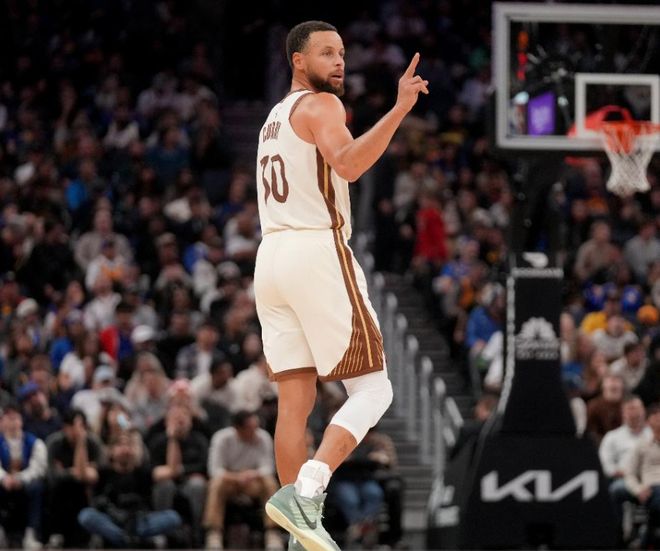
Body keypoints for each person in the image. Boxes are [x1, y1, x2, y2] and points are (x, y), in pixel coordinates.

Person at [255, 20, 427, 551]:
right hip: (314, 251)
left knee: (295, 403)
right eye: (326, 53)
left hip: (271, 259)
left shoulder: (272, 119)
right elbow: (349, 165)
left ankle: (297, 533)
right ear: (298, 61)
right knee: (375, 389)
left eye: (342, 53)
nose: (339, 62)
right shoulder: (322, 105)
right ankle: (308, 492)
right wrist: (399, 109)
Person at [78, 433, 182, 548]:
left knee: (173, 517)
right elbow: (81, 474)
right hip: (112, 521)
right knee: (86, 515)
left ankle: (125, 540)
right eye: (120, 445)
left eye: (129, 445)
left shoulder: (143, 472)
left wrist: (173, 438)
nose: (125, 449)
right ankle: (129, 540)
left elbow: (172, 470)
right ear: (111, 451)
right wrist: (80, 442)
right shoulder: (103, 472)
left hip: (139, 522)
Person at [203, 410, 281, 550]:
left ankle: (272, 531)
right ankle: (214, 532)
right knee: (216, 483)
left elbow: (268, 467)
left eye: (256, 426)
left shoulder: (263, 437)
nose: (255, 431)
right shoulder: (221, 438)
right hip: (229, 481)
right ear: (237, 428)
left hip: (252, 481)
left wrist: (252, 474)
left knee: (269, 482)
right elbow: (215, 470)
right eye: (250, 428)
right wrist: (236, 477)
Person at [598, 395, 651, 543]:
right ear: (623, 413)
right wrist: (617, 471)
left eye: (637, 409)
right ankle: (618, 535)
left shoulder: (653, 435)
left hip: (651, 479)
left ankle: (649, 534)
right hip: (624, 479)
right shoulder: (612, 437)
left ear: (644, 411)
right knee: (615, 490)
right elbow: (604, 463)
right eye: (630, 409)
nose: (634, 413)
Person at [0, 402, 47, 550]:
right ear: (2, 421)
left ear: (21, 420)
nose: (12, 423)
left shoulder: (34, 442)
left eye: (15, 418)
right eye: (9, 418)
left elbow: (38, 468)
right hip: (3, 483)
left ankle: (31, 534)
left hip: (25, 484)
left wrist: (20, 478)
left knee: (37, 487)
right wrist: (4, 478)